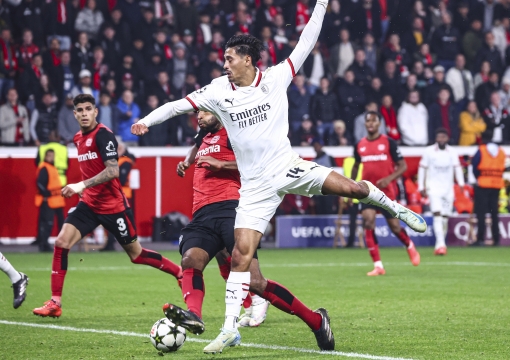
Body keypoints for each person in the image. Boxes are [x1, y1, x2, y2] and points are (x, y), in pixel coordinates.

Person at [131, 1, 426, 353]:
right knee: (240, 257)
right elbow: (178, 105)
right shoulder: (217, 91)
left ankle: (394, 208)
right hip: (254, 187)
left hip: (287, 167)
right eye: (224, 59)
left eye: (229, 59)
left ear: (248, 60)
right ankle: (229, 329)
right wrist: (147, 121)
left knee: (348, 187)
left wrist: (320, 5)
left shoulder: (275, 77)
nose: (224, 64)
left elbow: (307, 40)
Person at [33, 94, 183, 318]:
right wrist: (84, 190)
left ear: (95, 112)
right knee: (61, 242)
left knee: (136, 255)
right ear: (74, 114)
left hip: (114, 208)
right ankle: (55, 302)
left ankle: (179, 272)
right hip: (89, 205)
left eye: (88, 109)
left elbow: (113, 171)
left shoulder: (104, 135)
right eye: (80, 110)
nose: (84, 113)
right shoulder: (77, 138)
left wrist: (80, 184)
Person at [163, 109, 273, 333]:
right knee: (221, 258)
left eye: (203, 112)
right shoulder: (203, 133)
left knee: (241, 264)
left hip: (230, 205)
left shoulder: (234, 133)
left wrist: (222, 164)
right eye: (197, 113)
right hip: (204, 208)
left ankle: (259, 298)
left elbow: (255, 164)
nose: (199, 117)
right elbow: (195, 148)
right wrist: (186, 162)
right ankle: (249, 303)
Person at [352, 111, 421, 276]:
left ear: (379, 124)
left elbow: (403, 166)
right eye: (367, 121)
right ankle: (378, 265)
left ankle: (409, 245)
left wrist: (389, 179)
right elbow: (356, 166)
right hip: (367, 191)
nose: (370, 124)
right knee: (368, 222)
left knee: (395, 227)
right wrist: (351, 187)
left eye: (373, 121)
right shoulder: (360, 144)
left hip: (387, 192)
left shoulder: (389, 142)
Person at [418, 128, 464, 255]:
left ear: (447, 139)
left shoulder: (452, 152)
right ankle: (441, 245)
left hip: (448, 189)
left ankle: (440, 244)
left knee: (444, 217)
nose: (441, 139)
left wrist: (460, 183)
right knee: (437, 214)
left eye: (444, 137)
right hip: (433, 188)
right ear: (436, 138)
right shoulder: (428, 151)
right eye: (439, 137)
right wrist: (421, 186)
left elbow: (457, 167)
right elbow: (422, 169)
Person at [471, 132, 505, 246]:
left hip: (482, 184)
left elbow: (474, 166)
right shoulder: (501, 152)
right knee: (494, 213)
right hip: (496, 184)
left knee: (481, 213)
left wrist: (478, 177)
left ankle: (480, 238)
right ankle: (496, 239)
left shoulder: (481, 150)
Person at [35, 149, 65, 252]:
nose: (51, 158)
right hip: (49, 200)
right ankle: (43, 244)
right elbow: (39, 183)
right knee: (47, 223)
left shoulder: (52, 167)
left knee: (59, 222)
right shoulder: (44, 167)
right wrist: (46, 194)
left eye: (53, 156)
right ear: (46, 156)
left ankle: (59, 243)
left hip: (57, 200)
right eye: (50, 156)